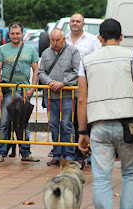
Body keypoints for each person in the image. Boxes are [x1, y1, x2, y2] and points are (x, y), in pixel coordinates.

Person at [77, 18, 133, 209]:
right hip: (129, 125)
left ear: (99, 38)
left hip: (99, 125)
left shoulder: (86, 61)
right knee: (131, 174)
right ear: (121, 37)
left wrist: (82, 131)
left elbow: (82, 98)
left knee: (101, 178)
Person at [0, 22, 40, 162]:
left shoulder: (30, 49)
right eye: (12, 33)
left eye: (17, 33)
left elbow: (36, 70)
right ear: (9, 34)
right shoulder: (2, 49)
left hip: (24, 91)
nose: (15, 36)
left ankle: (25, 152)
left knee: (24, 123)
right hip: (8, 91)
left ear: (22, 33)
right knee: (4, 122)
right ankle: (0, 152)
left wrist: (33, 88)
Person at [38, 28, 80, 166]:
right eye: (52, 40)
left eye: (58, 40)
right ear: (49, 40)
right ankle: (56, 154)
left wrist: (63, 83)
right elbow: (41, 71)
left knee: (67, 125)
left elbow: (77, 71)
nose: (55, 43)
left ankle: (69, 155)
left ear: (64, 39)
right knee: (54, 125)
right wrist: (50, 82)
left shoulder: (73, 52)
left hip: (67, 95)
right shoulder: (45, 53)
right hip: (50, 95)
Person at [65, 13, 101, 163]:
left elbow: (100, 58)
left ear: (83, 24)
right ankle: (74, 152)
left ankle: (89, 153)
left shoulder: (92, 40)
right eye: (72, 21)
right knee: (70, 120)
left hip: (87, 85)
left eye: (78, 21)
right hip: (67, 87)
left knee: (87, 119)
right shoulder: (63, 39)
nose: (75, 23)